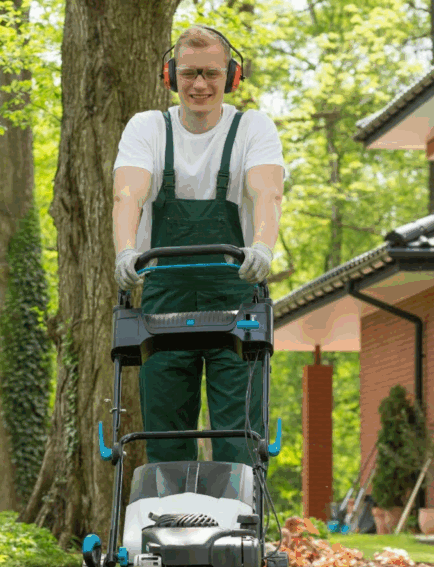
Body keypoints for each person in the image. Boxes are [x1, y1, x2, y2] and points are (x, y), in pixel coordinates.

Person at [112, 25, 285, 464]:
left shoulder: (252, 128)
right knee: (166, 435)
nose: (200, 85)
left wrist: (263, 246)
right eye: (189, 73)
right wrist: (125, 251)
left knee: (239, 433)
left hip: (236, 297)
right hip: (162, 300)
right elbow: (127, 193)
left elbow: (268, 192)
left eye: (211, 73)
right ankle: (167, 525)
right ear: (171, 76)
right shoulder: (147, 128)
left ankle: (239, 526)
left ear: (232, 76)